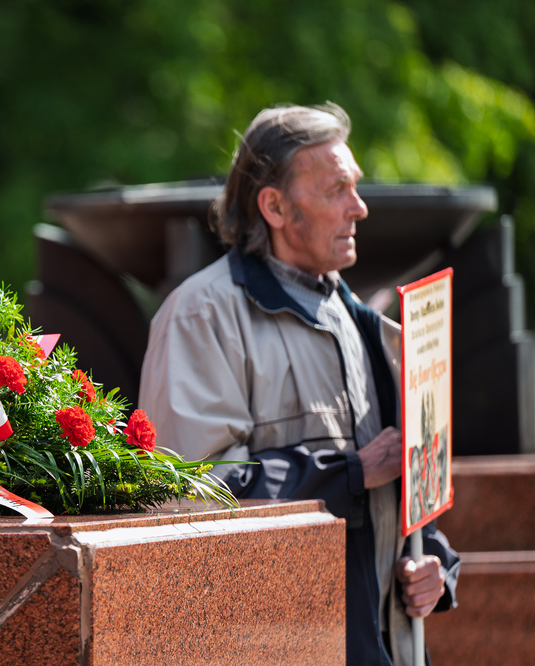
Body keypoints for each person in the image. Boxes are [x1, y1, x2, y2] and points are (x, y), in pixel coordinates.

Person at [138, 102, 459, 665]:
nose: (358, 208)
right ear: (275, 206)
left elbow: (403, 487)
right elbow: (189, 495)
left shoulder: (362, 320)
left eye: (355, 187)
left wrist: (431, 563)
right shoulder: (201, 315)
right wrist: (353, 473)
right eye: (337, 189)